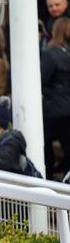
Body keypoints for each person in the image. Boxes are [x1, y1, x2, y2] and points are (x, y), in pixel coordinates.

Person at [40, 17, 70, 179]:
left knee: (45, 147)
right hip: (65, 109)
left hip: (54, 109)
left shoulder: (50, 54)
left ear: (54, 32)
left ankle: (48, 177)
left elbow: (42, 79)